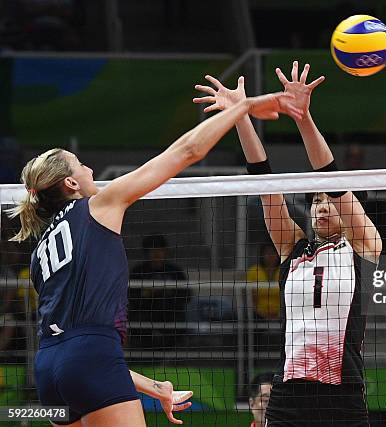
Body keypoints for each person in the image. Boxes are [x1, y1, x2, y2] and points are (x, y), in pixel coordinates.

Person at [8, 86, 299, 426]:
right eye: (83, 166)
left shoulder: (42, 250)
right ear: (71, 183)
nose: (90, 170)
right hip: (90, 357)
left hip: (48, 369)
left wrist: (155, 386)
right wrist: (244, 107)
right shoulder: (98, 205)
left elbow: (74, 344)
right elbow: (189, 150)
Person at [194, 62, 382, 426]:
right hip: (288, 393)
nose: (322, 205)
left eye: (330, 200)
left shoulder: (363, 245)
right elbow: (265, 187)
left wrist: (303, 118)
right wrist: (240, 116)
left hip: (341, 394)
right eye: (315, 201)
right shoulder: (293, 250)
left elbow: (332, 178)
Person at [246, 243, 281, 319]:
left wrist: (280, 313)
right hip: (258, 313)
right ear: (262, 255)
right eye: (268, 253)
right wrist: (261, 313)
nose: (271, 256)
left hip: (282, 312)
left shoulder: (284, 270)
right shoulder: (253, 271)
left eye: (273, 253)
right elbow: (251, 297)